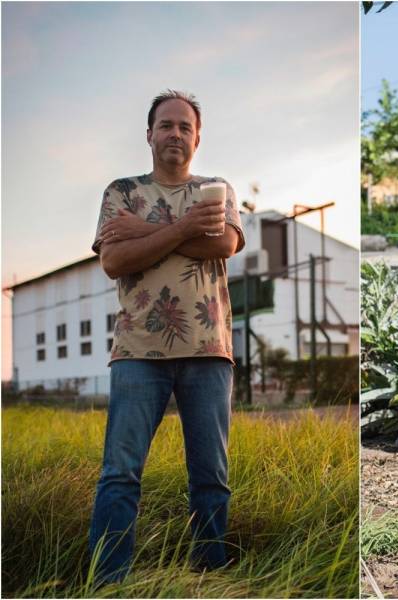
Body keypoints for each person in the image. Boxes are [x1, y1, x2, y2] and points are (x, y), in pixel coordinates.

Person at [88, 89, 245, 583]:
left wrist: (147, 233)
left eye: (184, 126)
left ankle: (210, 577)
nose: (175, 133)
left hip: (208, 350)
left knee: (210, 478)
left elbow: (223, 241)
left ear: (197, 137)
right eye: (166, 125)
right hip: (137, 352)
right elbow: (114, 261)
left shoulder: (216, 188)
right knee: (120, 473)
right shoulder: (122, 193)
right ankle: (108, 581)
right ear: (149, 134)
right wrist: (182, 230)